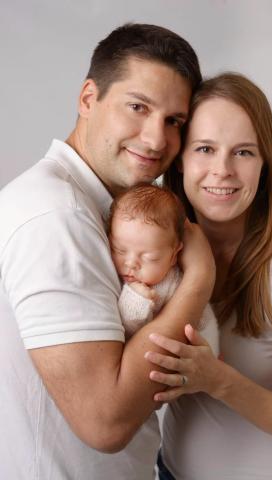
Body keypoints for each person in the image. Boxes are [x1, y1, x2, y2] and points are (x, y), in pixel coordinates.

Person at [0, 23, 216, 480]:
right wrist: (198, 281)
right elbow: (106, 421)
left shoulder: (96, 209)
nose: (157, 140)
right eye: (138, 107)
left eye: (174, 121)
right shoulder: (57, 216)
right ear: (87, 99)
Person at [145, 72, 272, 479]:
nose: (222, 170)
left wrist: (217, 379)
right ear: (181, 158)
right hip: (169, 471)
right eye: (205, 148)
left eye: (243, 152)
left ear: (264, 166)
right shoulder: (156, 253)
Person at [108, 183, 219, 353]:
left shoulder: (173, 286)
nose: (130, 263)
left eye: (149, 257)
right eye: (119, 250)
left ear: (174, 255)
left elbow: (131, 330)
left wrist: (136, 299)